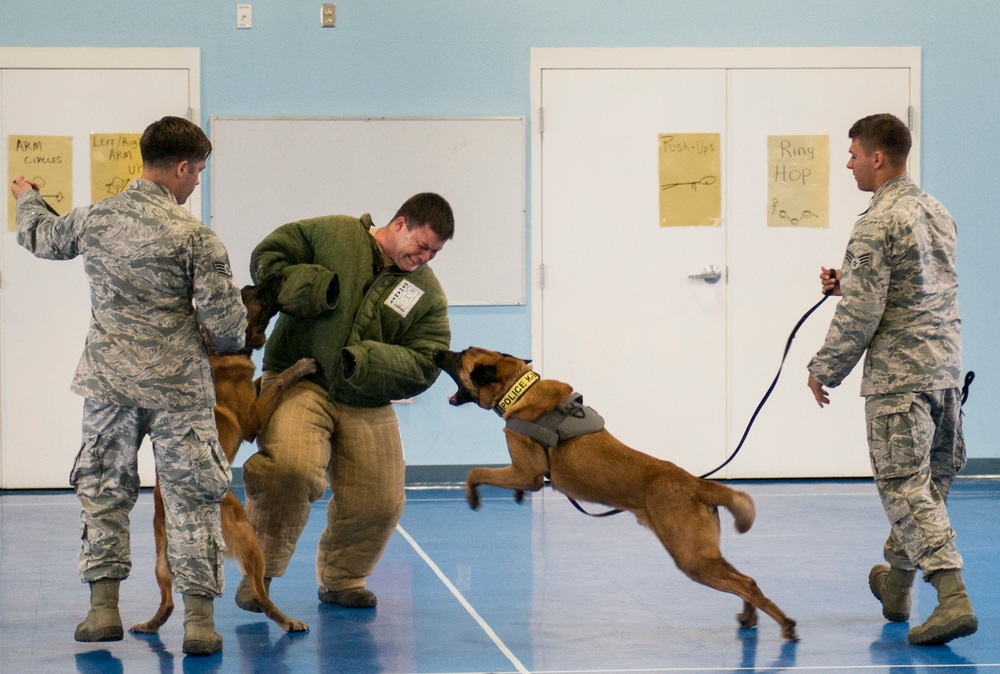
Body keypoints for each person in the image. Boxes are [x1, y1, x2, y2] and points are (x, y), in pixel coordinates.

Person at [10, 116, 247, 656]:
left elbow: (41, 238)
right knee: (192, 498)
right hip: (179, 391)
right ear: (182, 167)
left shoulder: (97, 218)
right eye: (198, 173)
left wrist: (27, 197)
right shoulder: (197, 237)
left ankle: (102, 613)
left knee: (103, 492)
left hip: (109, 384)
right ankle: (199, 624)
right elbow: (229, 329)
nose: (195, 185)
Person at [235, 193, 454, 612]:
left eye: (435, 252)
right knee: (289, 469)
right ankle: (258, 575)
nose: (426, 258)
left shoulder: (424, 292)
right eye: (422, 245)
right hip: (297, 378)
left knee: (383, 499)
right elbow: (268, 258)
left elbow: (429, 356)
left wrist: (366, 361)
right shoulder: (331, 233)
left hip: (364, 393)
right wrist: (313, 288)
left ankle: (343, 579)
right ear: (399, 224)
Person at [806, 113, 976, 646]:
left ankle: (953, 601)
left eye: (854, 153)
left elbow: (863, 310)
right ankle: (898, 590)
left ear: (878, 157)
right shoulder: (937, 210)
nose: (849, 163)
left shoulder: (876, 222)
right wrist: (849, 282)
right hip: (945, 374)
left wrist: (823, 368)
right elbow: (916, 285)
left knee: (905, 488)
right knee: (928, 487)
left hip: (899, 382)